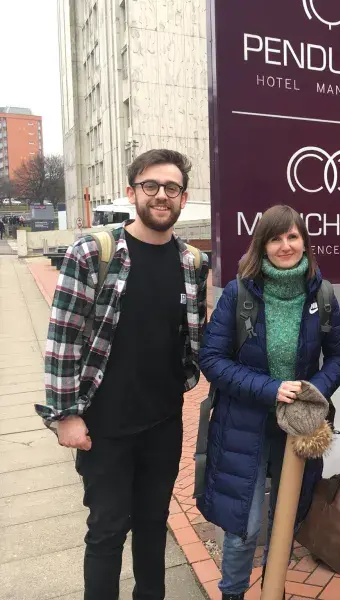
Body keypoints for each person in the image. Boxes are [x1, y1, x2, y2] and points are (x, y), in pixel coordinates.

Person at [34, 149, 208, 600]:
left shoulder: (192, 262)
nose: (161, 195)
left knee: (153, 525)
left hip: (163, 422)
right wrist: (65, 415)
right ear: (133, 192)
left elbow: (192, 337)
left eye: (171, 188)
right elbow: (62, 338)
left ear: (183, 197)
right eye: (151, 186)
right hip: (104, 426)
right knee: (107, 531)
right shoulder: (95, 252)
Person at [197, 205, 340, 600]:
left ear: (304, 242)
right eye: (275, 238)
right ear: (262, 245)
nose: (285, 246)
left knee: (286, 520)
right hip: (242, 425)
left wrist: (314, 389)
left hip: (298, 427)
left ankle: (273, 589)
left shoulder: (322, 293)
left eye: (292, 237)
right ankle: (233, 593)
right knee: (244, 526)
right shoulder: (238, 293)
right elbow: (212, 360)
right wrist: (270, 388)